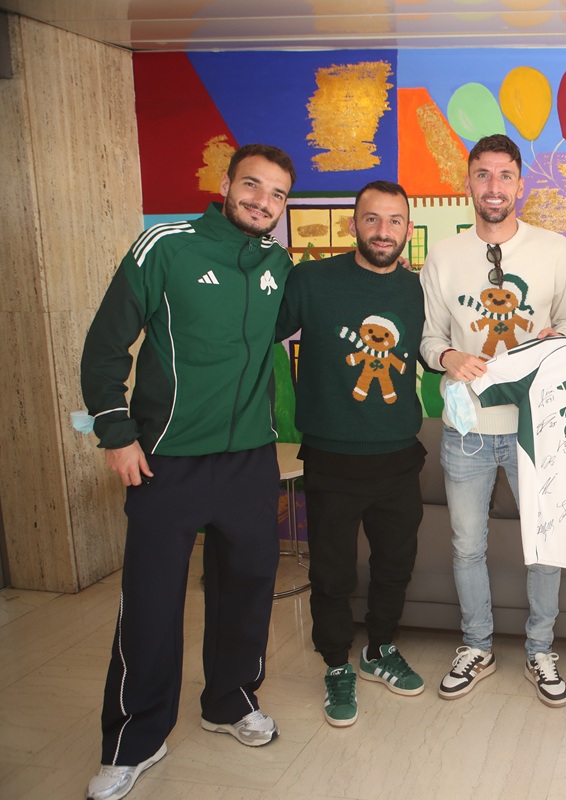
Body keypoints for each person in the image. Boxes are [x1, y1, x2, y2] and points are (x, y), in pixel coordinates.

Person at [80, 144, 297, 800]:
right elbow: (104, 346)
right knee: (150, 603)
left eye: (277, 194)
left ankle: (229, 702)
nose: (263, 201)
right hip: (166, 461)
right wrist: (116, 434)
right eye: (253, 185)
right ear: (226, 183)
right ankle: (134, 740)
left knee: (248, 589)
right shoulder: (165, 246)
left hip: (249, 461)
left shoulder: (279, 264)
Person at [419, 133, 566, 708]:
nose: (494, 186)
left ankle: (541, 649)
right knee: (467, 545)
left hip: (537, 426)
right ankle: (477, 645)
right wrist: (447, 357)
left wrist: (559, 337)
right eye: (483, 174)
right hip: (467, 429)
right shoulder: (443, 256)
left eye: (505, 175)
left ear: (520, 183)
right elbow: (429, 339)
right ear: (468, 182)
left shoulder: (554, 250)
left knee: (543, 545)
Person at [275, 180, 427, 728]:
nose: (383, 231)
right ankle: (337, 663)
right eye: (372, 219)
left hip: (398, 456)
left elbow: (439, 349)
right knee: (333, 573)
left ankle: (379, 649)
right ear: (352, 224)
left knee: (395, 566)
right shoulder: (312, 280)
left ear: (408, 229)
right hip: (331, 458)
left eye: (394, 221)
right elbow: (258, 330)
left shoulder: (418, 290)